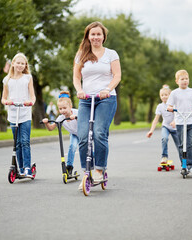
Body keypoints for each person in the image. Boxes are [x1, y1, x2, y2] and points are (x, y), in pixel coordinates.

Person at [73, 21, 121, 188]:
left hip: (106, 99)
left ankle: (99, 170)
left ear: (103, 36)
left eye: (98, 34)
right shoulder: (81, 54)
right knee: (84, 136)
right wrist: (79, 90)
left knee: (100, 133)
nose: (95, 37)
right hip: (86, 99)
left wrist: (107, 89)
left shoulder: (111, 54)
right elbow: (76, 77)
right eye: (92, 34)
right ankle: (87, 171)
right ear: (88, 36)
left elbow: (117, 76)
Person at [1, 53, 36, 178]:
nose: (20, 65)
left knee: (25, 141)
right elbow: (3, 98)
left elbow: (33, 96)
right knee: (17, 143)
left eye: (23, 63)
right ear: (13, 64)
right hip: (13, 114)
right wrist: (6, 102)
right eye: (18, 63)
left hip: (25, 113)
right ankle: (20, 167)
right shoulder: (7, 80)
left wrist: (30, 102)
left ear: (25, 65)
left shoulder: (27, 78)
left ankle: (27, 168)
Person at [166, 70, 192, 175]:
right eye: (182, 79)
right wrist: (170, 108)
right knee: (181, 145)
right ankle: (184, 165)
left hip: (191, 121)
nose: (185, 81)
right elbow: (169, 105)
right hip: (180, 122)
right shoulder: (174, 93)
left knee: (191, 144)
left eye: (186, 79)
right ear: (177, 81)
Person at [42, 91, 78, 175]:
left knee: (88, 151)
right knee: (72, 147)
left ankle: (97, 159)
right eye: (60, 109)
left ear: (70, 106)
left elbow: (85, 121)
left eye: (65, 108)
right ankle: (69, 167)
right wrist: (46, 123)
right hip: (74, 134)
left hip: (84, 133)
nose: (63, 111)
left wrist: (76, 118)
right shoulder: (61, 118)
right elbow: (51, 128)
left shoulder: (77, 112)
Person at [146, 85, 181, 165]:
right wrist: (151, 130)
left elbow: (177, 114)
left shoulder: (174, 105)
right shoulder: (160, 106)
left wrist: (175, 121)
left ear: (170, 95)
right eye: (162, 95)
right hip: (166, 126)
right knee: (164, 138)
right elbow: (156, 119)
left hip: (175, 128)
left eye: (166, 95)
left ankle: (183, 160)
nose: (164, 97)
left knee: (179, 145)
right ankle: (164, 157)